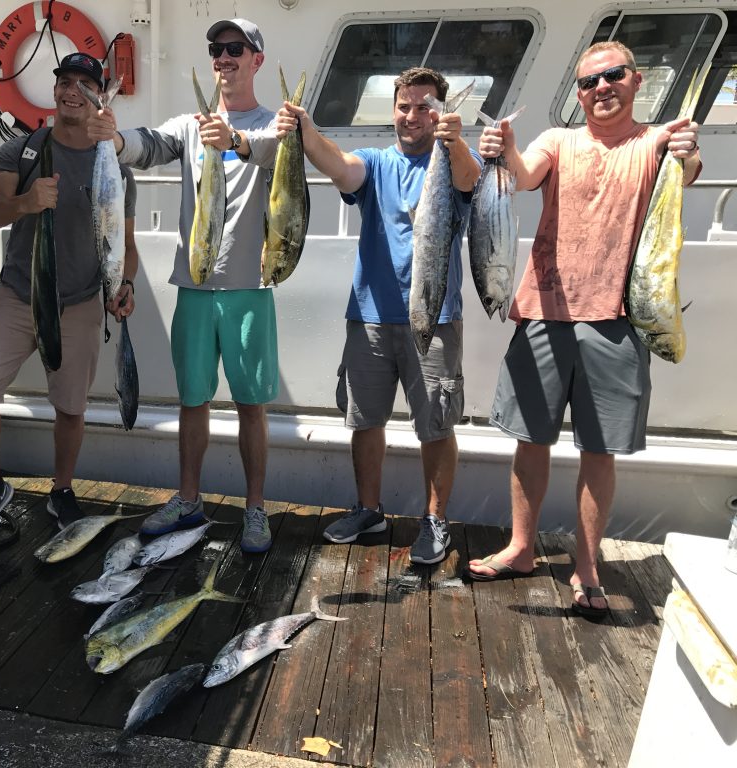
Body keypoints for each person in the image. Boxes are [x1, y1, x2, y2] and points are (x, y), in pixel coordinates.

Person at [464, 42, 701, 617]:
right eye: (591, 81)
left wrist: (688, 153)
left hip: (620, 320)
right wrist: (505, 150)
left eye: (614, 76)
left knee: (600, 450)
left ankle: (587, 562)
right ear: (578, 92)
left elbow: (687, 172)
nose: (603, 88)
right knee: (530, 438)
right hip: (544, 312)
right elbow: (520, 178)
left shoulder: (655, 143)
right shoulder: (558, 140)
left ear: (635, 80)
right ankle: (522, 547)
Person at [86, 18, 278, 553]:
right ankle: (188, 497)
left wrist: (236, 139)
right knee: (193, 400)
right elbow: (150, 145)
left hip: (248, 290)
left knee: (250, 405)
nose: (223, 57)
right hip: (194, 289)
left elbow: (276, 154)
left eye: (234, 49)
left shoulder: (273, 124)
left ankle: (255, 509)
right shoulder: (191, 125)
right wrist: (115, 137)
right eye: (216, 49)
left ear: (256, 59)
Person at [276, 67, 481, 563]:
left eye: (424, 107)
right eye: (404, 106)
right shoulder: (376, 162)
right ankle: (369, 510)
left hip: (433, 317)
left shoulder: (454, 161)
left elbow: (471, 180)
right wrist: (305, 129)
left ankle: (435, 520)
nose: (412, 116)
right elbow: (342, 167)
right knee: (365, 420)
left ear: (440, 111)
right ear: (393, 110)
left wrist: (455, 142)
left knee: (435, 423)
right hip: (369, 316)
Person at [0, 52, 138, 546]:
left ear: (98, 96)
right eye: (65, 82)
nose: (73, 91)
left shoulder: (117, 169)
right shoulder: (19, 151)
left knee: (71, 408)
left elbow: (126, 247)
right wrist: (25, 202)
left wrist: (124, 286)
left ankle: (61, 490)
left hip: (81, 302)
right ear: (55, 91)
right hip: (18, 293)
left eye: (85, 84)